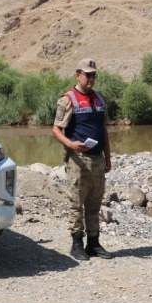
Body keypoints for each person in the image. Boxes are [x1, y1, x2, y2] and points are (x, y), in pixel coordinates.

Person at [51, 58, 114, 262]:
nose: (91, 79)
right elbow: (56, 129)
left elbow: (103, 130)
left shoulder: (100, 98)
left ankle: (93, 244)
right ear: (78, 75)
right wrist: (70, 144)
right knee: (76, 203)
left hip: (97, 159)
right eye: (87, 75)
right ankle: (76, 244)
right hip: (78, 160)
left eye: (93, 75)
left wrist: (108, 158)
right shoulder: (67, 99)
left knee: (95, 203)